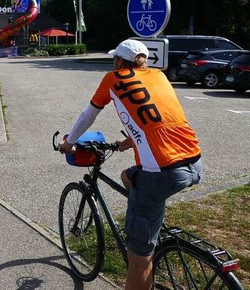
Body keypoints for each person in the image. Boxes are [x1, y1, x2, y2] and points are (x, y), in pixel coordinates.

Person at [58, 38, 202, 290]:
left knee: (139, 256)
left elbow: (88, 114)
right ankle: (146, 223)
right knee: (128, 175)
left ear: (118, 61)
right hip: (193, 161)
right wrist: (128, 142)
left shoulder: (114, 78)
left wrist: (70, 142)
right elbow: (157, 119)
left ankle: (143, 239)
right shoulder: (159, 76)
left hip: (162, 173)